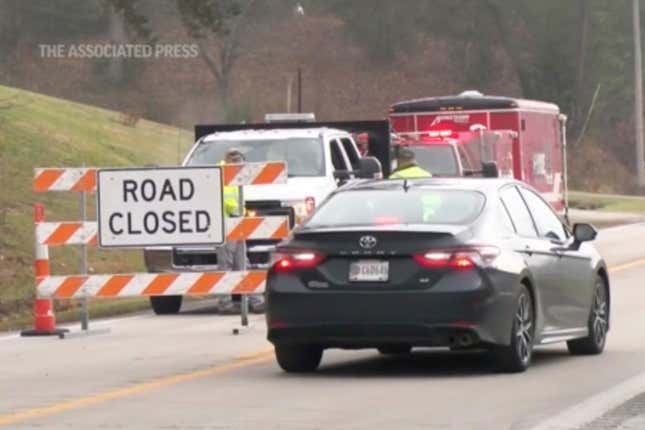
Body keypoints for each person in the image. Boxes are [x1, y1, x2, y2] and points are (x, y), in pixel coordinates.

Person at [216, 149, 264, 314]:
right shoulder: (220, 173)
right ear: (230, 161)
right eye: (238, 162)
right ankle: (225, 303)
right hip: (225, 225)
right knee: (226, 265)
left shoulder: (232, 174)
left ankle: (256, 301)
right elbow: (225, 200)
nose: (240, 165)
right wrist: (237, 213)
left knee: (243, 263)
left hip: (237, 225)